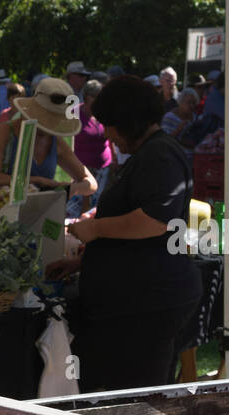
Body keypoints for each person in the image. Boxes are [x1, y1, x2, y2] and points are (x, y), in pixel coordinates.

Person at [49, 76, 202, 392]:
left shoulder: (160, 154)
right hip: (135, 300)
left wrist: (94, 228)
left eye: (110, 125)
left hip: (146, 305)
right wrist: (83, 263)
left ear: (129, 122)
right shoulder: (150, 154)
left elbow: (154, 221)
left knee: (135, 401)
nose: (106, 133)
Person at [0, 77, 96, 215]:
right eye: (46, 119)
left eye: (53, 121)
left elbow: (91, 184)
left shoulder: (55, 141)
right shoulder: (5, 132)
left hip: (37, 218)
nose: (48, 126)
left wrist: (72, 189)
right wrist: (38, 181)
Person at [67, 79, 113, 217]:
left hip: (103, 168)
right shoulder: (74, 113)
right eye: (94, 96)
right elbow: (66, 138)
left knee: (95, 208)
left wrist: (114, 159)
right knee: (75, 209)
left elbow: (110, 137)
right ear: (86, 96)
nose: (98, 100)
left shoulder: (103, 114)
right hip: (81, 169)